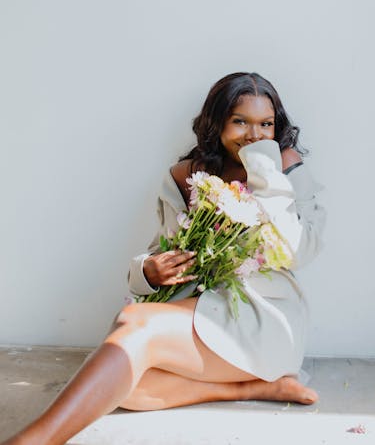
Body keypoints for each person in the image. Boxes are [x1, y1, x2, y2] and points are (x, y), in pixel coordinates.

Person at [3, 72, 325, 445]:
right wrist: (148, 271)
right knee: (130, 388)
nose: (254, 135)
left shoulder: (285, 165)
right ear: (217, 122)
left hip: (262, 316)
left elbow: (296, 252)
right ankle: (250, 387)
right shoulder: (188, 175)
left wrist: (266, 171)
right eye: (240, 121)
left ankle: (31, 441)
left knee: (129, 329)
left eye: (265, 124)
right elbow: (164, 248)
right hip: (197, 306)